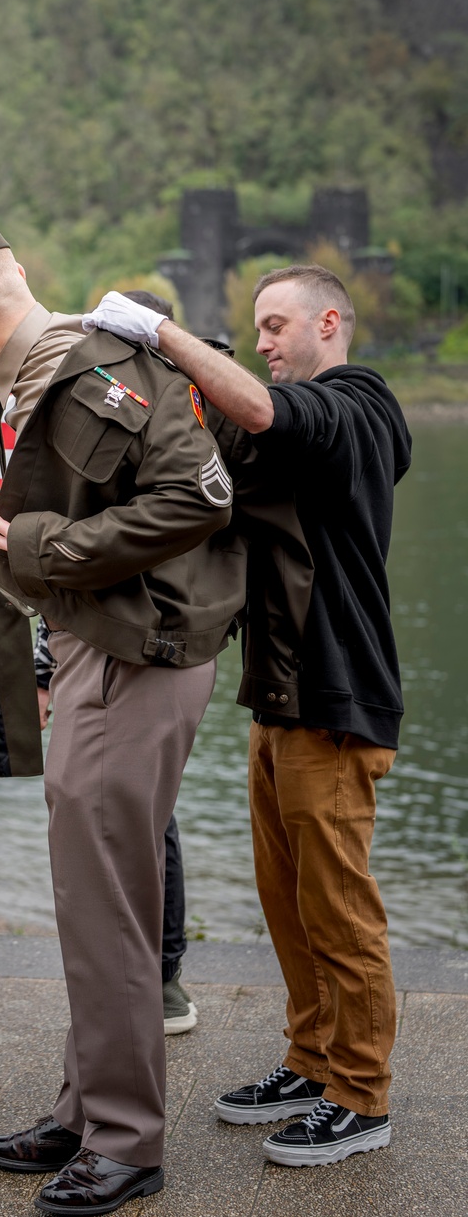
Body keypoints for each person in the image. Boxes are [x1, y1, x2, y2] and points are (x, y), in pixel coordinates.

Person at [0, 201, 247, 1217]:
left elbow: (202, 494)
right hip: (105, 648)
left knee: (103, 901)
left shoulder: (86, 370)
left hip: (136, 652)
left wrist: (43, 548)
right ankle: (85, 1103)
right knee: (100, 895)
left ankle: (122, 1138)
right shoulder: (38, 369)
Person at [85, 265, 411, 1167]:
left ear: (329, 322)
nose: (264, 343)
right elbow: (219, 455)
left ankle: (362, 1093)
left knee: (340, 913)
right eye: (256, 330)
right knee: (291, 907)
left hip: (339, 701)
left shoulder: (361, 405)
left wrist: (161, 334)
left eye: (276, 326)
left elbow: (266, 412)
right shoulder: (294, 429)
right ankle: (311, 1062)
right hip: (279, 698)